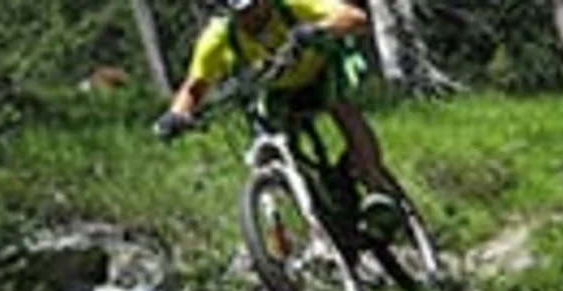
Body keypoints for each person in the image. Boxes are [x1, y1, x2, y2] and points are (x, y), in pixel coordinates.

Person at [154, 0, 403, 238]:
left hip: (320, 70)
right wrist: (176, 115)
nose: (250, 18)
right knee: (270, 146)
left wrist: (317, 28)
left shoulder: (292, 4)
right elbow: (195, 85)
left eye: (254, 7)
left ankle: (376, 188)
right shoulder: (218, 36)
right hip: (278, 89)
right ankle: (299, 219)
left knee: (340, 106)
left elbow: (356, 18)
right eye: (241, 14)